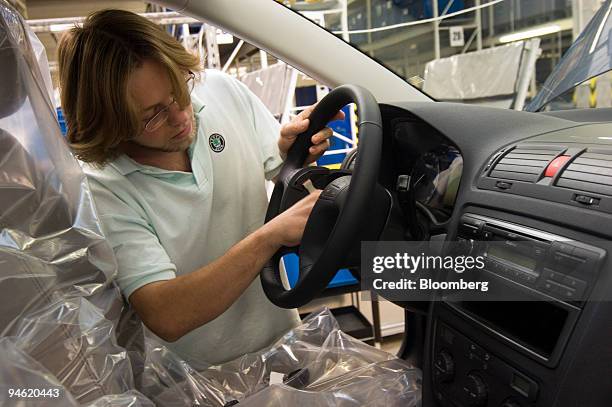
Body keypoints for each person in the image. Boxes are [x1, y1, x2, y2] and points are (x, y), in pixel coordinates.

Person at [57, 9, 342, 367]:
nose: (180, 116)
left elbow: (287, 179)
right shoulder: (102, 185)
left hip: (283, 348)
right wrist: (270, 237)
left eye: (179, 90)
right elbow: (166, 313)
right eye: (152, 116)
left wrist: (291, 151)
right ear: (110, 124)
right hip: (195, 383)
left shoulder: (221, 91)